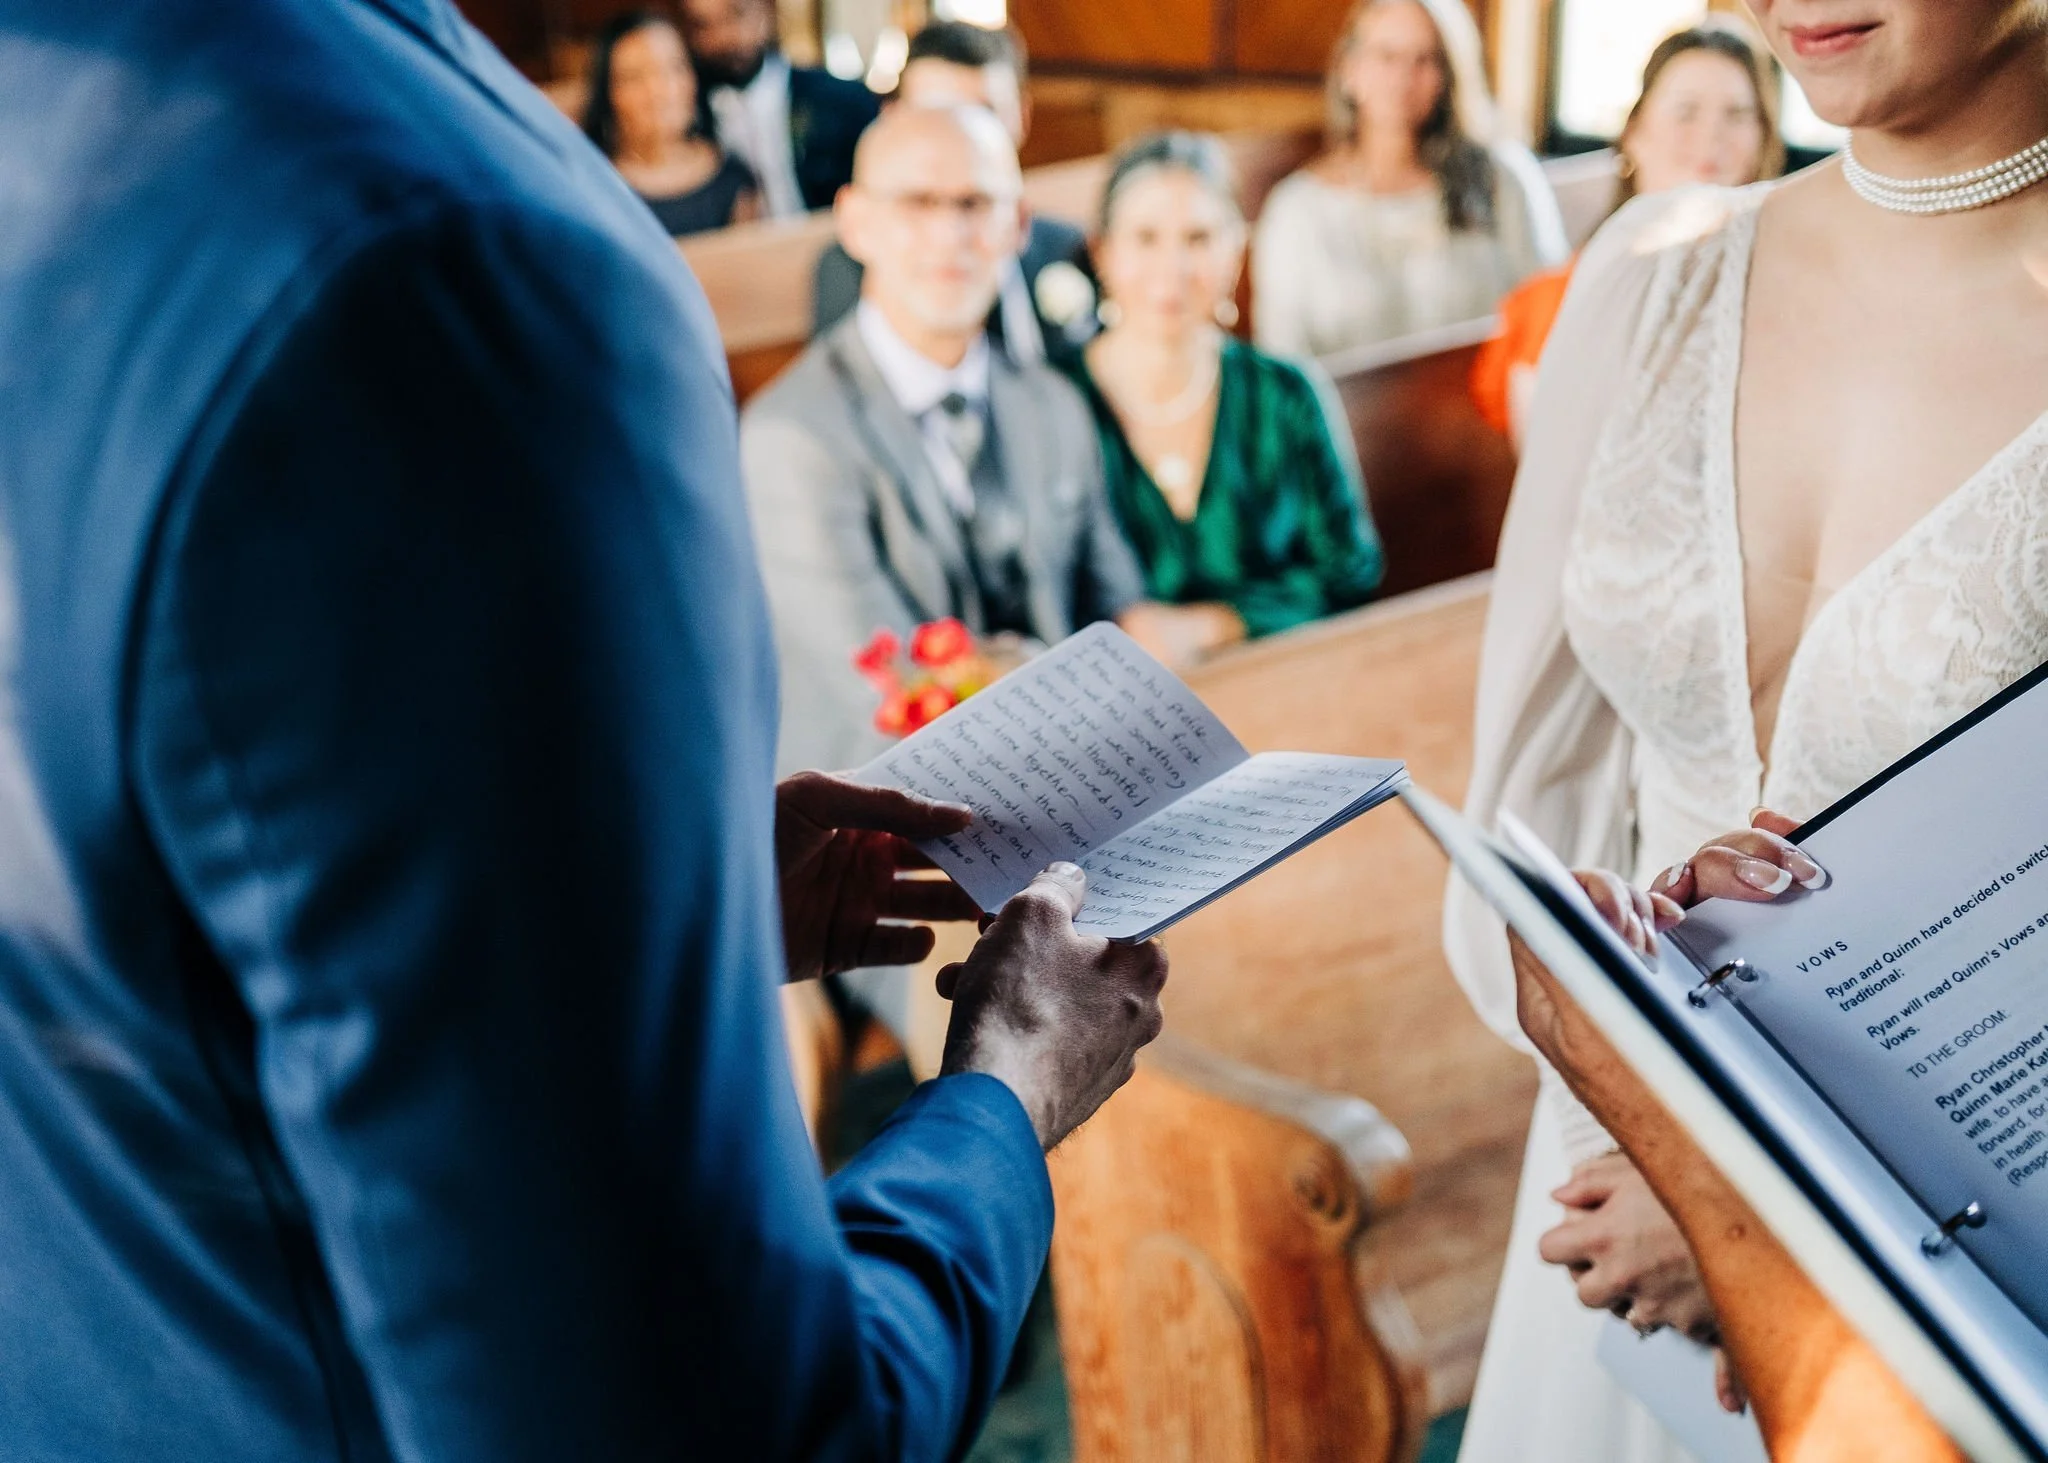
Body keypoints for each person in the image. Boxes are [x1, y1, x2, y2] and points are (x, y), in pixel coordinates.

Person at [0, 2, 1171, 1458]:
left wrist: (655, 911)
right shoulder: (451, 267)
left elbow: (171, 901)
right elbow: (715, 1427)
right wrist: (1000, 1099)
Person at [1441, 0, 2048, 1458]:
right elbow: (1528, 782)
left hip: (1956, 1267)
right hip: (1599, 1173)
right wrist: (1628, 1117)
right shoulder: (1656, 272)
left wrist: (1749, 1203)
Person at [1523, 830, 1962, 1460]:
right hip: (1622, 1156)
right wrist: (1616, 1131)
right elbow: (1552, 834)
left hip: (1913, 1154)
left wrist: (1727, 1226)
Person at [1063, 133, 1385, 668]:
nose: (1174, 268)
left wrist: (1215, 625)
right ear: (1104, 254)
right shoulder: (1056, 402)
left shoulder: (1285, 394)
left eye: (1198, 238)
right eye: (1146, 238)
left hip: (1284, 687)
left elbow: (1350, 573)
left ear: (1235, 250)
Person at [1469, 19, 1782, 444]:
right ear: (1635, 134)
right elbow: (1556, 474)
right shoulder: (1561, 304)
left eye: (1737, 115)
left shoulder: (1786, 292)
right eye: (1686, 111)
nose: (1712, 136)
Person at [1252, 0, 1567, 359]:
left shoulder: (1501, 180)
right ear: (1349, 69)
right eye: (1386, 56)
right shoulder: (1296, 209)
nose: (1403, 78)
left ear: (1449, 74)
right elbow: (1281, 355)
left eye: (1425, 59)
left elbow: (1548, 314)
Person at [811, 21, 1099, 366]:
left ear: (1022, 117)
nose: (960, 135)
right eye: (935, 112)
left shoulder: (1067, 249)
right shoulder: (858, 262)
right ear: (892, 116)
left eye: (984, 114)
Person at [679, 0, 880, 217]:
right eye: (703, 25)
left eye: (737, 14)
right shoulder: (690, 115)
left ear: (766, 10)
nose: (724, 37)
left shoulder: (841, 100)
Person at [582, 9, 759, 236]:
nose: (658, 91)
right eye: (634, 77)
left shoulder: (732, 176)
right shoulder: (594, 189)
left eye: (673, 68)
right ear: (608, 95)